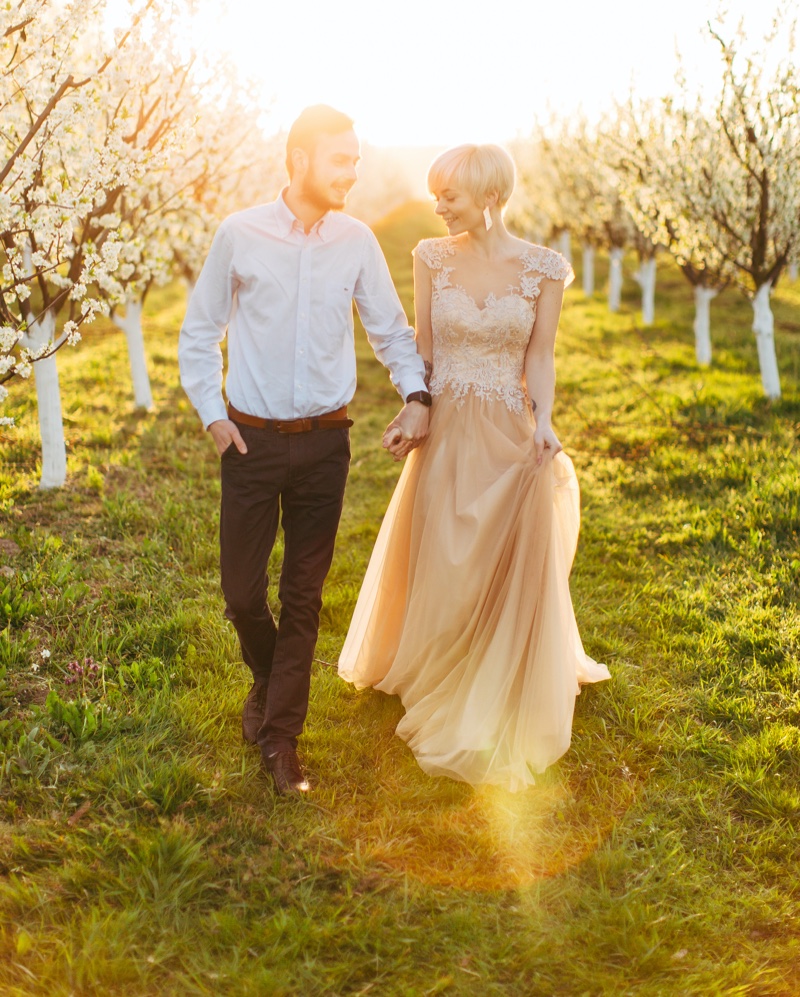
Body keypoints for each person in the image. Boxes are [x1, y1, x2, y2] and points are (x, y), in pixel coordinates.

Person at [338, 144, 610, 792]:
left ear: (488, 194)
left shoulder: (544, 269)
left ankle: (493, 672)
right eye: (434, 194)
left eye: (450, 196)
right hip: (450, 424)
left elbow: (539, 357)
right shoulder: (430, 258)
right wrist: (414, 411)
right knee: (444, 554)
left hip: (509, 429)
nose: (438, 207)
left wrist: (544, 421)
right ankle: (435, 663)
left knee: (497, 556)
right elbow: (424, 351)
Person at [178, 105, 431, 795]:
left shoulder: (356, 241)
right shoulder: (240, 234)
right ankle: (267, 675)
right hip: (250, 442)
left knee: (303, 594)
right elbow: (199, 331)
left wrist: (417, 395)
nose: (352, 171)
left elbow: (390, 329)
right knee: (240, 594)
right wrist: (211, 416)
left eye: (356, 159)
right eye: (339, 159)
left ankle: (281, 739)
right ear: (298, 160)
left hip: (326, 443)